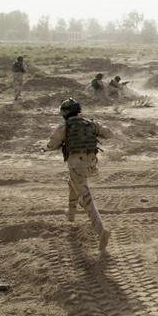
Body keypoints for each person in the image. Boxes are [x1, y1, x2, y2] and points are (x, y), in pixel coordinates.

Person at [45, 98, 114, 250]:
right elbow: (110, 134)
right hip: (91, 164)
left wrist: (49, 148)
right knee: (72, 183)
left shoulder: (64, 126)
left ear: (64, 113)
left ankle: (101, 230)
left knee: (86, 198)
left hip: (77, 165)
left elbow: (51, 145)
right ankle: (71, 213)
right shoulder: (90, 123)